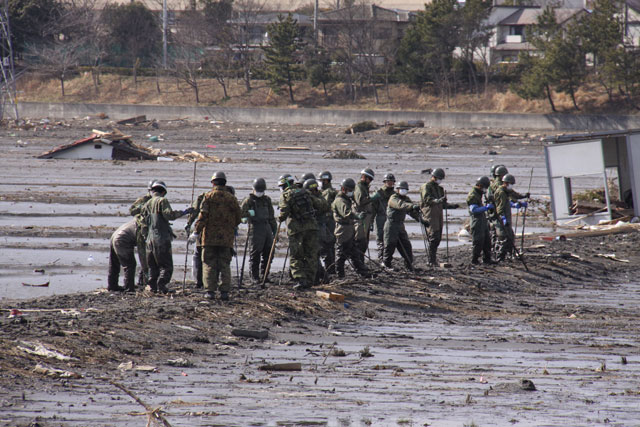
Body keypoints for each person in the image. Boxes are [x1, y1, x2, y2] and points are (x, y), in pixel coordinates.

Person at [194, 172, 242, 300]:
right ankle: (224, 292)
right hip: (226, 239)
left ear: (213, 183)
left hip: (208, 238)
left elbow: (203, 216)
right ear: (225, 182)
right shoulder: (231, 198)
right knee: (224, 264)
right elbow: (238, 218)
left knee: (209, 264)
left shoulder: (208, 196)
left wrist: (196, 232)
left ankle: (210, 291)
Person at [142, 181, 192, 293]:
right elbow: (169, 215)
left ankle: (152, 286)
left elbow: (143, 224)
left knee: (153, 266)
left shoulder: (147, 203)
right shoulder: (162, 200)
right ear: (163, 191)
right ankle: (162, 285)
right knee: (166, 266)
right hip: (161, 239)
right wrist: (184, 212)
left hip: (149, 240)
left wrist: (146, 238)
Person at [278, 174, 321, 290]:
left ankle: (301, 280)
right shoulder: (305, 192)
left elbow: (284, 213)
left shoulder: (286, 195)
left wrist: (279, 218)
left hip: (296, 230)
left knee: (296, 255)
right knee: (311, 254)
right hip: (312, 227)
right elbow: (319, 205)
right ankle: (310, 280)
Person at [331, 178, 371, 278]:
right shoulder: (340, 201)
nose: (351, 192)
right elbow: (346, 213)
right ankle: (340, 275)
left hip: (349, 228)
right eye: (350, 190)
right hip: (342, 230)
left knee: (354, 253)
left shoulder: (346, 199)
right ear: (343, 189)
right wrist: (357, 216)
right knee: (341, 254)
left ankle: (362, 272)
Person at [419, 168, 460, 267]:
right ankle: (431, 260)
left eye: (441, 178)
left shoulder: (440, 189)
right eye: (438, 178)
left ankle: (433, 259)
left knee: (438, 238)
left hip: (438, 214)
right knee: (433, 237)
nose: (439, 180)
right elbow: (427, 199)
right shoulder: (426, 186)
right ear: (433, 177)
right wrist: (438, 200)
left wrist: (451, 206)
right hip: (430, 213)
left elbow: (442, 203)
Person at [383, 181, 427, 271]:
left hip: (400, 225)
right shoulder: (393, 198)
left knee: (406, 245)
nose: (403, 191)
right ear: (397, 190)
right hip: (391, 225)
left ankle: (409, 265)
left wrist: (421, 220)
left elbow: (412, 211)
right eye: (401, 189)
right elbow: (401, 205)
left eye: (405, 189)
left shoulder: (406, 199)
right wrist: (412, 206)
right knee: (390, 245)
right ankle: (386, 265)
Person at [240, 178, 277, 285]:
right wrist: (247, 215)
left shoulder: (267, 200)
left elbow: (271, 217)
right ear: (253, 189)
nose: (260, 192)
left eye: (262, 189)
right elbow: (241, 214)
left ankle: (265, 274)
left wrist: (274, 231)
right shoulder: (248, 201)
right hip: (255, 228)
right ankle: (254, 276)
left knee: (269, 252)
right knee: (255, 253)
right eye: (258, 189)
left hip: (267, 227)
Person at [493, 174, 528, 261]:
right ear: (505, 183)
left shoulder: (506, 191)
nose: (511, 185)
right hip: (502, 218)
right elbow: (499, 208)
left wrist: (523, 196)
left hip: (506, 216)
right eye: (510, 184)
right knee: (504, 237)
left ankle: (509, 255)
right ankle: (500, 257)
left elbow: (514, 194)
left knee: (511, 236)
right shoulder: (501, 192)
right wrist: (503, 218)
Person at [129, 180, 156, 289]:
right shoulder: (143, 200)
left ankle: (148, 279)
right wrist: (144, 207)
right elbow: (132, 210)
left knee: (152, 257)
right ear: (149, 191)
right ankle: (144, 281)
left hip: (153, 232)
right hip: (142, 232)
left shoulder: (158, 200)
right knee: (143, 257)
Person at [304, 178, 331, 283]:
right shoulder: (314, 198)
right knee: (313, 254)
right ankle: (320, 277)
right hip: (314, 229)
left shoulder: (318, 198)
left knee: (314, 254)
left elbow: (323, 206)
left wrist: (310, 198)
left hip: (318, 230)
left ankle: (319, 278)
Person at [466, 176, 494, 265]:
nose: (485, 190)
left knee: (487, 241)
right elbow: (474, 210)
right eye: (485, 187)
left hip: (482, 220)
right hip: (476, 221)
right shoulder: (473, 195)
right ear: (480, 186)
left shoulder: (479, 193)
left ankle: (487, 259)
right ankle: (474, 260)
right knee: (478, 241)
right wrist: (486, 208)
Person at [107, 219, 138, 292]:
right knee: (130, 265)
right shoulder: (144, 226)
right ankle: (129, 288)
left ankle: (112, 286)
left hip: (115, 236)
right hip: (122, 239)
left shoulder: (136, 221)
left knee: (114, 263)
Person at [371, 173, 396, 263]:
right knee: (380, 241)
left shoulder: (394, 194)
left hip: (390, 220)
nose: (390, 183)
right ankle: (381, 260)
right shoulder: (379, 193)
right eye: (388, 181)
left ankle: (386, 260)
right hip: (380, 219)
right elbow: (373, 209)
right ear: (385, 182)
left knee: (389, 241)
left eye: (391, 181)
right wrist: (370, 221)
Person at [354, 168, 375, 262]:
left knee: (364, 243)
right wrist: (372, 197)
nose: (370, 181)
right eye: (369, 179)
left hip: (366, 218)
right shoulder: (359, 187)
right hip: (360, 218)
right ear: (363, 177)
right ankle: (358, 262)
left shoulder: (364, 187)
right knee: (360, 242)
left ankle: (360, 262)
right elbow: (360, 202)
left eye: (371, 179)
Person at [319, 171, 337, 275]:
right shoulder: (331, 191)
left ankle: (329, 269)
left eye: (321, 180)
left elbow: (323, 207)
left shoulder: (327, 192)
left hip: (327, 221)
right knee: (330, 246)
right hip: (331, 221)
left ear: (325, 181)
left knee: (325, 246)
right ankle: (331, 268)